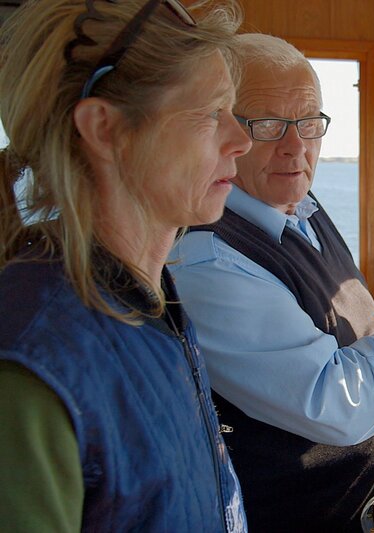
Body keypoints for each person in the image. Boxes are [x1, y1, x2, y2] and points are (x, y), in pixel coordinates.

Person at [169, 33, 374, 531]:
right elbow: (341, 406)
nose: (296, 147)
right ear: (223, 130)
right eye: (267, 124)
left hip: (353, 505)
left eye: (309, 122)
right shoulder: (205, 261)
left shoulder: (300, 205)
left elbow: (343, 325)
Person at [0, 0, 253, 531]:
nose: (242, 140)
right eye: (212, 113)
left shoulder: (149, 297)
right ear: (105, 128)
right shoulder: (32, 368)